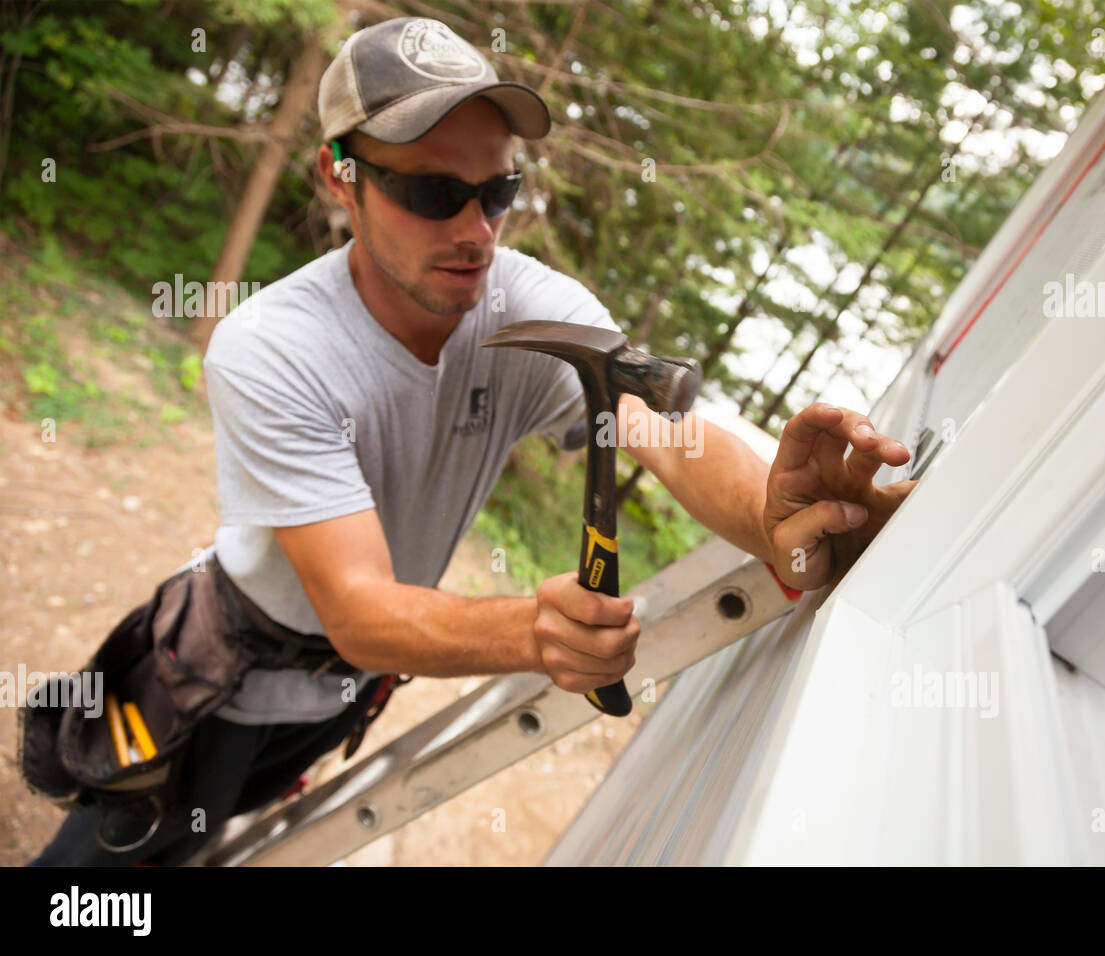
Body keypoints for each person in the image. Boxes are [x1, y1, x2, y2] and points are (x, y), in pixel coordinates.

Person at [29, 16, 916, 866]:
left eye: (497, 192)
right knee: (104, 875)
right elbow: (361, 607)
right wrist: (536, 631)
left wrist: (774, 513)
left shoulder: (527, 304)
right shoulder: (273, 349)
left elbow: (670, 429)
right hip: (222, 687)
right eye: (432, 194)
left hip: (348, 694)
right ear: (340, 177)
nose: (475, 231)